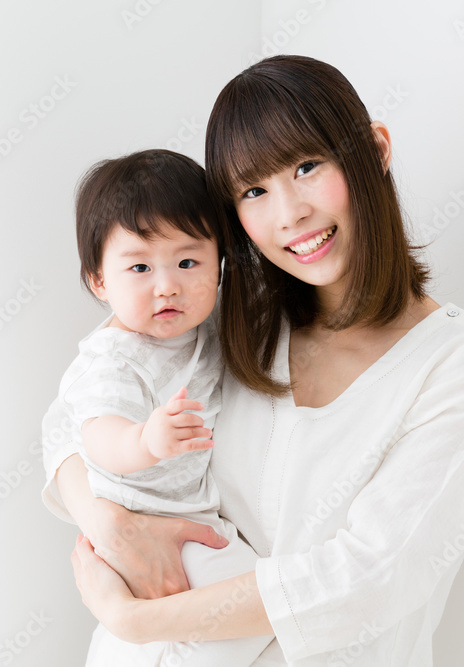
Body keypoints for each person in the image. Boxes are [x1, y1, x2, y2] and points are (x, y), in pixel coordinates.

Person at [46, 55, 464, 666]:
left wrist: (135, 618)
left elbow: (369, 578)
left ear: (374, 151)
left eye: (307, 166)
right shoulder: (230, 320)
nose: (289, 213)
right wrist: (112, 527)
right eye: (254, 191)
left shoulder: (462, 364)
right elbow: (70, 414)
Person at [42, 149, 274, 665]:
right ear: (99, 281)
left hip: (189, 518)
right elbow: (96, 435)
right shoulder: (115, 358)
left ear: (220, 266)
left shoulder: (204, 330)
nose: (167, 285)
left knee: (239, 615)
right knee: (248, 610)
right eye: (140, 267)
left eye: (187, 262)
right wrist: (144, 440)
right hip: (145, 517)